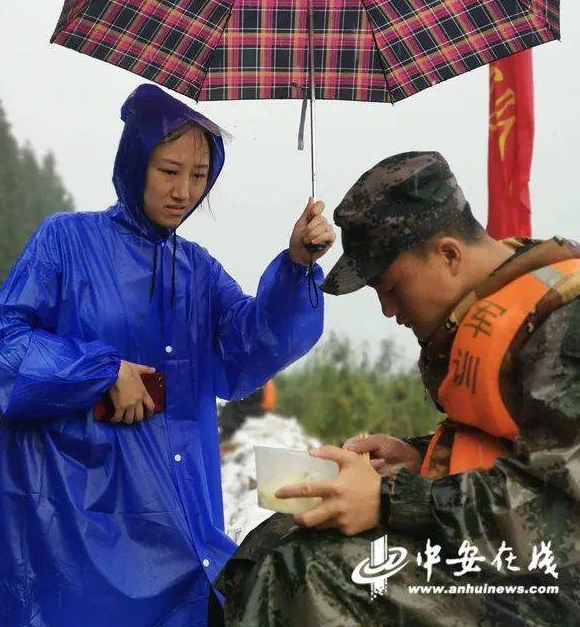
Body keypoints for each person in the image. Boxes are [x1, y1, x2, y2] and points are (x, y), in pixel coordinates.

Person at [0, 83, 336, 627]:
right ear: (134, 162)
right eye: (169, 171)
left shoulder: (198, 270)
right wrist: (99, 372)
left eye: (199, 176)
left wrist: (295, 268)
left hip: (176, 524)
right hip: (76, 526)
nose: (184, 191)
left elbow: (251, 345)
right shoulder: (66, 243)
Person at [216, 151, 580, 626]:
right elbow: (528, 442)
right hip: (504, 557)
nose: (388, 310)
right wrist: (423, 457)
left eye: (390, 286)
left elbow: (559, 512)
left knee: (314, 573)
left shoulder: (564, 324)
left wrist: (392, 499)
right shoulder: (498, 306)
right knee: (275, 540)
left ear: (448, 254)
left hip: (553, 581)